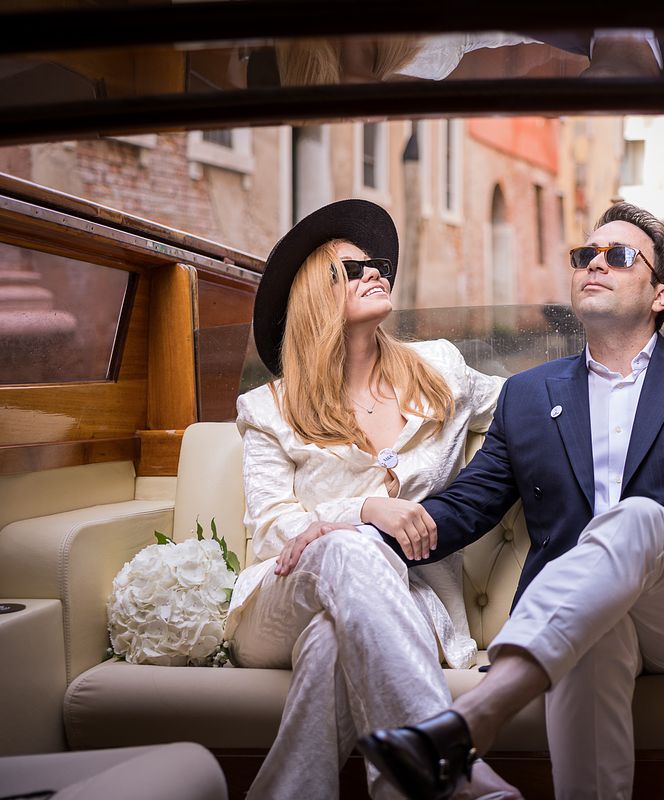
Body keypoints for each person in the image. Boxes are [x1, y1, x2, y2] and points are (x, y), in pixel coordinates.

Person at [358, 202, 664, 799]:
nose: (594, 265)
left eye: (619, 256)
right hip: (582, 617)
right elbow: (465, 507)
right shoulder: (527, 395)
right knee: (595, 630)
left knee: (637, 518)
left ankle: (476, 716)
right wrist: (355, 531)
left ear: (660, 294)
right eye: (584, 256)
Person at [225, 199, 519, 800]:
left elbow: (531, 406)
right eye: (352, 270)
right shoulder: (268, 409)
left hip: (408, 600)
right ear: (315, 295)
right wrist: (361, 511)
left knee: (331, 644)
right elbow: (274, 530)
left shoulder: (440, 370)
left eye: (377, 266)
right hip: (281, 600)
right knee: (351, 547)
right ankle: (445, 759)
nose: (375, 273)